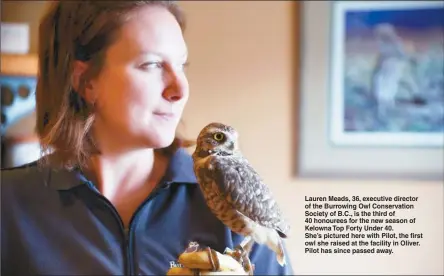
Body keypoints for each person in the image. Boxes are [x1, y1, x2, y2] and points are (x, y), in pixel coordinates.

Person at [1, 1, 294, 275]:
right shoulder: (9, 206)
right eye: (152, 65)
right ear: (86, 82)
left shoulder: (227, 197)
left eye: (181, 65)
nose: (180, 89)